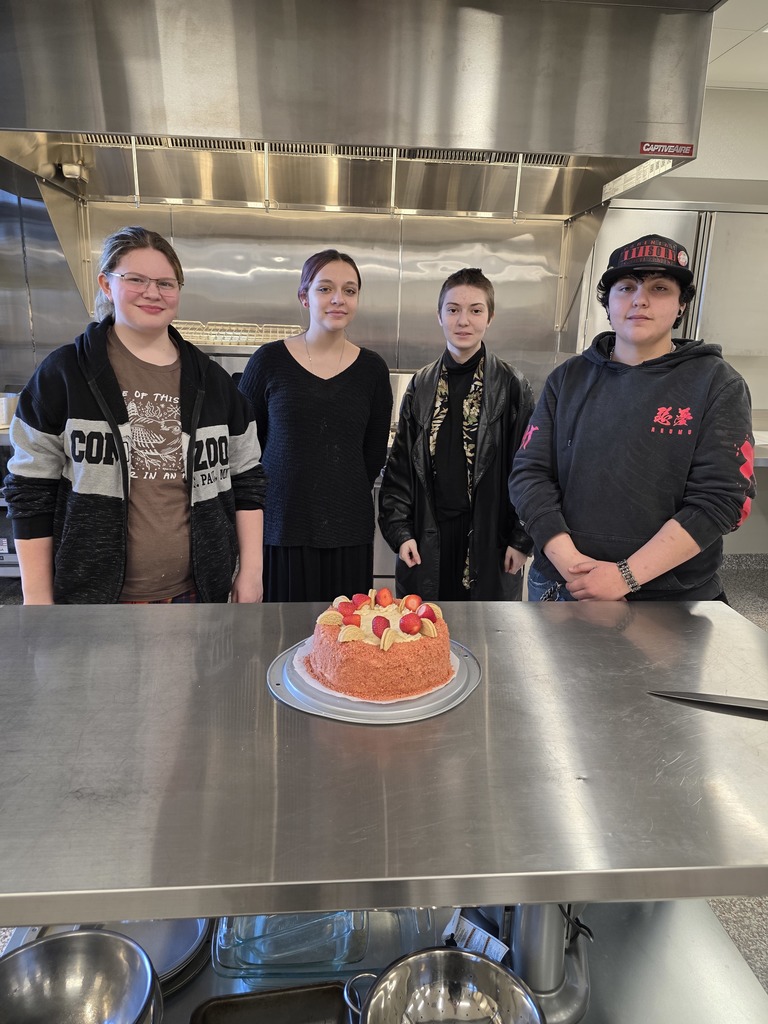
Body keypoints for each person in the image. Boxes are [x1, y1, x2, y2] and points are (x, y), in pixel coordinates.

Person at [3, 226, 266, 605]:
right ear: (107, 285)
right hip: (90, 601)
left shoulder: (212, 381)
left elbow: (247, 479)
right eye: (135, 279)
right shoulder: (64, 374)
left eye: (165, 282)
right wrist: (38, 599)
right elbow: (30, 490)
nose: (152, 292)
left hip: (195, 596)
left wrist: (250, 573)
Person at [509, 233, 756, 602]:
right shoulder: (568, 378)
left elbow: (722, 500)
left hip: (671, 598)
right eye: (626, 287)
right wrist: (573, 566)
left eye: (659, 288)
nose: (640, 299)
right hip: (562, 584)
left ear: (681, 305)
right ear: (607, 303)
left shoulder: (717, 383)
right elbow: (529, 474)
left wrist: (624, 577)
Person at [238, 248, 392, 602]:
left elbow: (371, 455)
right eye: (325, 288)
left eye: (349, 290)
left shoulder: (372, 370)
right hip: (283, 528)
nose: (338, 299)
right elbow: (246, 453)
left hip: (348, 532)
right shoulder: (268, 361)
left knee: (347, 644)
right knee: (283, 643)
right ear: (304, 296)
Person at [378, 267, 534, 601]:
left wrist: (521, 540)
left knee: (487, 640)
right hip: (427, 536)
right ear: (440, 316)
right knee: (426, 635)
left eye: (475, 310)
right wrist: (401, 532)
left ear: (489, 317)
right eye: (453, 310)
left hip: (489, 537)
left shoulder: (511, 386)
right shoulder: (421, 385)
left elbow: (530, 469)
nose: (463, 320)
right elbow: (400, 467)